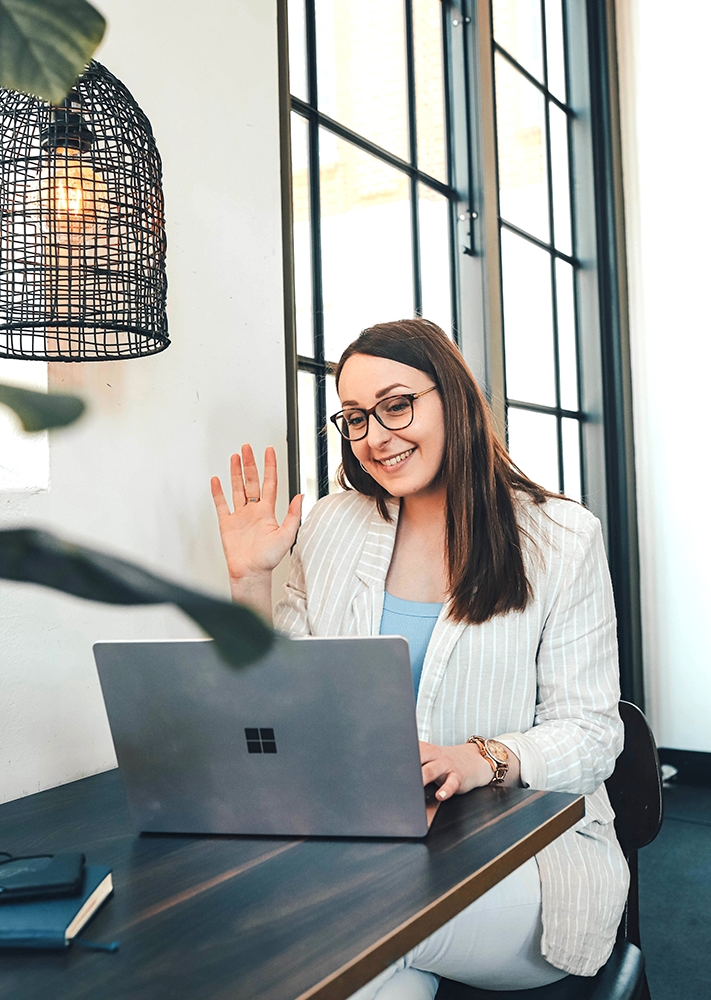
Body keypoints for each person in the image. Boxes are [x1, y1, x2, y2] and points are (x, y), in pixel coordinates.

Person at [210, 318, 629, 998]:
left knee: (348, 923)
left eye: (396, 404)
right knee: (368, 961)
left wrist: (476, 759)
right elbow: (276, 710)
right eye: (353, 418)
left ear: (453, 399)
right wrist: (250, 582)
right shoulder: (329, 526)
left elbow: (593, 734)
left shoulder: (562, 537)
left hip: (524, 864)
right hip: (360, 848)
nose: (375, 435)